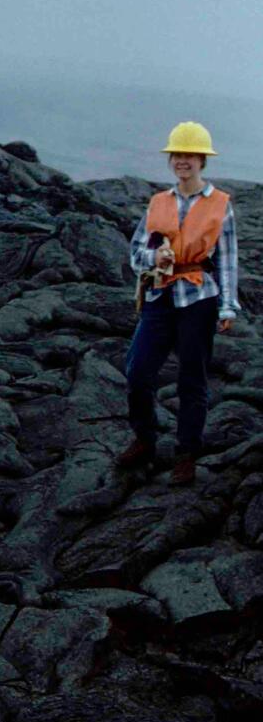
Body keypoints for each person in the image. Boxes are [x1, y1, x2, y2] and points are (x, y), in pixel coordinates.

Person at [117, 122, 239, 486]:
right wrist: (153, 259)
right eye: (177, 155)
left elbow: (228, 260)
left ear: (202, 160)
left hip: (199, 299)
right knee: (138, 372)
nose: (182, 161)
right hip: (159, 296)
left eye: (189, 155)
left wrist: (228, 306)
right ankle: (144, 438)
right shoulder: (158, 203)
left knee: (192, 379)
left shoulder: (221, 207)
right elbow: (136, 251)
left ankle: (186, 454)